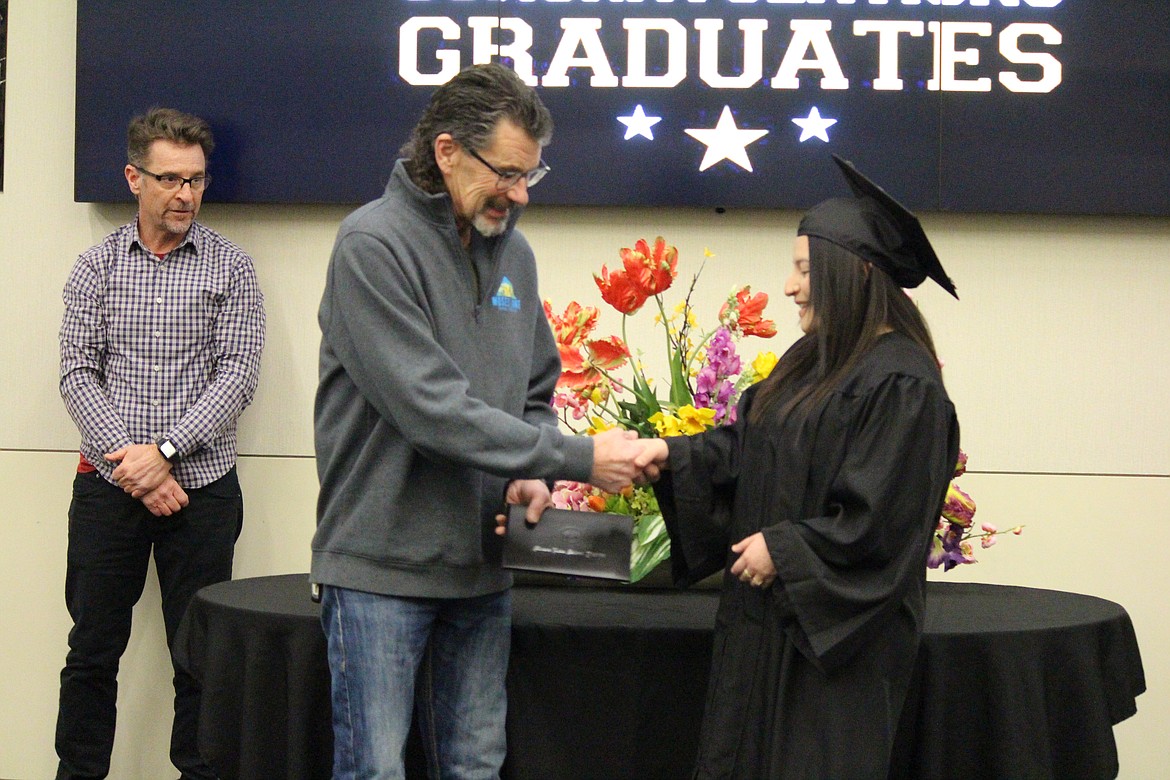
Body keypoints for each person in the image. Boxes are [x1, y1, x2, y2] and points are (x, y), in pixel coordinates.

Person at [311, 62, 644, 779]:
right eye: (508, 173)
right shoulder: (371, 246)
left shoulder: (514, 254)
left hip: (483, 572)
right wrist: (576, 458)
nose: (521, 194)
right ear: (447, 151)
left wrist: (528, 472)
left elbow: (534, 385)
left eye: (532, 175)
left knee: (475, 769)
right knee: (374, 771)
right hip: (381, 572)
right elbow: (431, 410)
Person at [635, 155, 961, 778]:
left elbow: (883, 525)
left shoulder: (902, 383)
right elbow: (748, 451)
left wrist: (786, 552)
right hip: (761, 631)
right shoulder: (810, 362)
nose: (789, 286)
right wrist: (670, 455)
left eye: (805, 269)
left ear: (856, 273)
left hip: (832, 654)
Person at [56, 107, 266, 779]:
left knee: (201, 659)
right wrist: (135, 465)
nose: (186, 195)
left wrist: (166, 452)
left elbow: (238, 375)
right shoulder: (95, 267)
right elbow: (77, 372)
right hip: (107, 490)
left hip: (201, 493)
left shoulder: (232, 268)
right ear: (133, 178)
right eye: (171, 179)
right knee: (91, 653)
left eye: (196, 181)